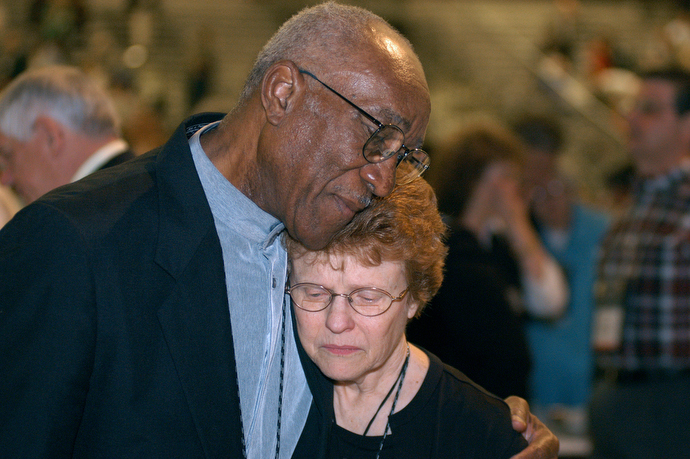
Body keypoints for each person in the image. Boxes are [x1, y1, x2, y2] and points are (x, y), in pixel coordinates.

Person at [0, 3, 558, 458]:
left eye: (403, 155)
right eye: (377, 139)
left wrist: (490, 430)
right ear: (283, 93)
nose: (383, 179)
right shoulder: (74, 244)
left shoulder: (327, 235)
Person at [285, 177, 529, 458]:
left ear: (414, 298)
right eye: (315, 293)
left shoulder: (480, 433)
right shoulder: (259, 392)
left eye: (368, 297)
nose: (337, 322)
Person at [408, 119, 568, 400]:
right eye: (508, 176)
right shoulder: (442, 247)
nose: (517, 188)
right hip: (455, 404)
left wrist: (517, 223)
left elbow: (550, 302)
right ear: (476, 179)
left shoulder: (497, 248)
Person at [590, 67, 690, 458]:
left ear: (686, 125)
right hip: (616, 396)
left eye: (649, 109)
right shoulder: (631, 208)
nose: (632, 119)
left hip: (674, 402)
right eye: (633, 108)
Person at [514, 114, 610, 434]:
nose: (549, 200)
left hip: (592, 381)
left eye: (556, 188)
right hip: (538, 384)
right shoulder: (523, 239)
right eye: (538, 191)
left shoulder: (604, 233)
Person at [0, 65, 135, 204]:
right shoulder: (141, 186)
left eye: (9, 155)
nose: (5, 179)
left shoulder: (83, 214)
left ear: (50, 137)